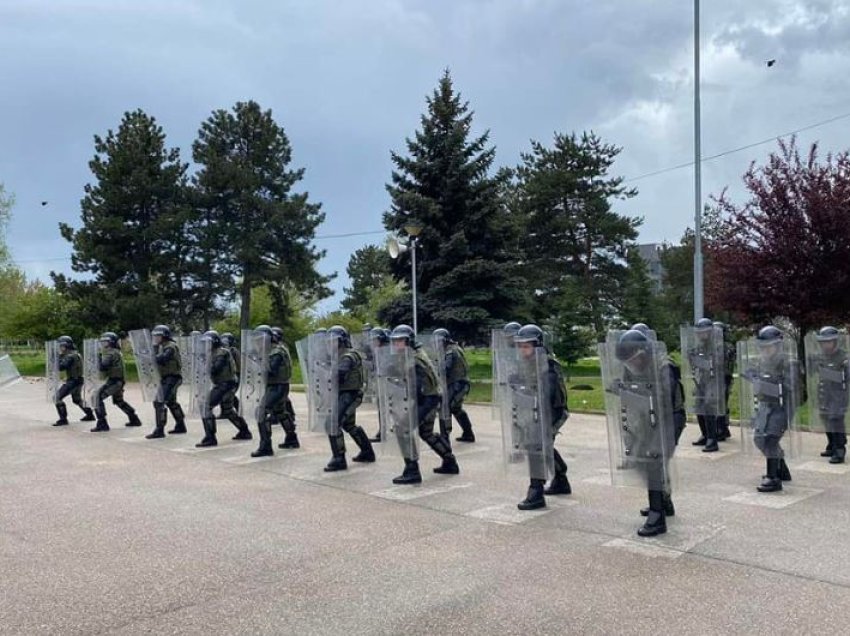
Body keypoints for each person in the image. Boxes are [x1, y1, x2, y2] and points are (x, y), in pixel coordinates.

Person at [609, 329, 677, 536]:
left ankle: (657, 517)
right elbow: (634, 388)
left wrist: (632, 391)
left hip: (669, 419)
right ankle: (663, 501)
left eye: (634, 360)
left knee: (653, 461)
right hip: (647, 417)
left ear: (644, 352)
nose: (632, 365)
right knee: (639, 460)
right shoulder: (634, 367)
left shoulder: (664, 367)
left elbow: (666, 399)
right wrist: (620, 388)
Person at [389, 325, 460, 484]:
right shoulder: (413, 355)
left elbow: (417, 387)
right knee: (425, 432)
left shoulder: (414, 359)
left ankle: (412, 470)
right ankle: (450, 461)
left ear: (409, 341)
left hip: (427, 399)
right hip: (430, 397)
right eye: (395, 341)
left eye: (400, 340)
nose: (396, 344)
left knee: (403, 429)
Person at [511, 325, 570, 510]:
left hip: (552, 413)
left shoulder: (548, 367)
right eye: (520, 346)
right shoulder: (527, 365)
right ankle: (561, 479)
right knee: (543, 446)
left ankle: (536, 491)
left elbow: (551, 399)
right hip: (534, 412)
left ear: (538, 346)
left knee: (536, 447)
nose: (522, 350)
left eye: (527, 346)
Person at [740, 326, 797, 492]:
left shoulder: (789, 363)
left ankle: (773, 478)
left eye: (768, 346)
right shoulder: (762, 361)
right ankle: (781, 469)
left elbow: (791, 386)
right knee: (759, 439)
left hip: (782, 407)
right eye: (763, 347)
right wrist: (755, 378)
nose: (765, 350)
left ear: (778, 346)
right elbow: (747, 370)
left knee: (770, 439)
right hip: (765, 406)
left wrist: (769, 383)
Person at [321, 326, 376, 471]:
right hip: (344, 393)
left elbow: (341, 372)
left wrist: (329, 375)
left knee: (332, 423)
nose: (331, 344)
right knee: (348, 425)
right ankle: (367, 452)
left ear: (342, 341)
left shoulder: (348, 356)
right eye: (330, 341)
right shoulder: (339, 355)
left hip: (350, 394)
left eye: (334, 341)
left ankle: (339, 458)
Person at [195, 331, 252, 447]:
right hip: (224, 384)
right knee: (227, 410)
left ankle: (210, 437)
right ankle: (244, 431)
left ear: (214, 342)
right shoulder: (213, 353)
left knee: (206, 406)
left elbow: (215, 368)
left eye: (208, 342)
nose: (206, 345)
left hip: (225, 384)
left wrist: (204, 363)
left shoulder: (221, 352)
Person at [252, 325, 299, 457]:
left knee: (261, 412)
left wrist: (256, 363)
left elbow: (271, 370)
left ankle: (265, 446)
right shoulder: (269, 351)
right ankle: (292, 438)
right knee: (281, 412)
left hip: (278, 386)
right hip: (276, 386)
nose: (257, 341)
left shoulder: (276, 351)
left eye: (260, 338)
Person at [809, 326, 848, 464]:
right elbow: (811, 372)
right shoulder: (821, 356)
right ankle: (831, 445)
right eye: (823, 342)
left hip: (838, 395)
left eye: (829, 342)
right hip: (824, 393)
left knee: (835, 421)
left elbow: (847, 377)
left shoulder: (843, 357)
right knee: (826, 419)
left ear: (835, 342)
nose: (826, 345)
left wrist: (829, 374)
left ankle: (840, 450)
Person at [685, 318, 723, 453]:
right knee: (699, 406)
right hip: (702, 380)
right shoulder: (700, 346)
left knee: (708, 407)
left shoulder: (718, 346)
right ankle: (705, 434)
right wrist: (691, 357)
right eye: (699, 333)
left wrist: (701, 361)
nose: (701, 335)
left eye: (704, 332)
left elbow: (717, 363)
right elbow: (695, 363)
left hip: (714, 380)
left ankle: (712, 439)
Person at [92, 332, 141, 433]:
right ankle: (134, 418)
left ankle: (102, 423)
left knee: (96, 397)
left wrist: (97, 356)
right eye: (103, 341)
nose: (103, 343)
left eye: (106, 341)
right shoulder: (115, 351)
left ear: (111, 342)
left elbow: (103, 366)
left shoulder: (111, 353)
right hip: (117, 380)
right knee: (119, 401)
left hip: (115, 381)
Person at [433, 328, 476, 443]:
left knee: (445, 408)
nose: (437, 344)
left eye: (439, 341)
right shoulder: (453, 348)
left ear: (445, 340)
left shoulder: (450, 351)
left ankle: (444, 436)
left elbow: (445, 369)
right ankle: (468, 433)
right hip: (460, 384)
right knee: (456, 409)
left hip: (457, 384)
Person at [145, 325, 186, 439]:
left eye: (158, 336)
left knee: (159, 401)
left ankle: (160, 429)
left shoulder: (170, 346)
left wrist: (151, 353)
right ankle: (181, 425)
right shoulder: (162, 346)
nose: (155, 338)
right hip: (167, 378)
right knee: (171, 402)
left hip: (173, 378)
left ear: (164, 336)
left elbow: (162, 358)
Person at [51, 336, 96, 426]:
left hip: (73, 381)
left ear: (66, 346)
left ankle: (63, 419)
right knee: (77, 399)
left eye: (62, 346)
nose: (60, 348)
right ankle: (90, 415)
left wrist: (55, 358)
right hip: (78, 380)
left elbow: (61, 367)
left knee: (57, 397)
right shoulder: (75, 354)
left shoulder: (71, 356)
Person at [271, 327, 298, 441]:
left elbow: (272, 367)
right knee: (281, 407)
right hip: (276, 382)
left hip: (280, 381)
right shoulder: (274, 348)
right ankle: (291, 436)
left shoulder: (280, 348)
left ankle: (266, 445)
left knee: (275, 406)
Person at [367, 327, 390, 442]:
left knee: (389, 410)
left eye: (375, 339)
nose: (373, 342)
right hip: (382, 384)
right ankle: (382, 431)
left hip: (390, 385)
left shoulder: (388, 350)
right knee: (382, 409)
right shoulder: (379, 351)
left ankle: (386, 432)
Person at [713, 321, 735, 441]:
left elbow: (724, 362)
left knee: (722, 403)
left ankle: (722, 428)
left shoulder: (727, 347)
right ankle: (720, 428)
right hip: (713, 379)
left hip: (724, 378)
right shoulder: (713, 346)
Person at [221, 332, 240, 414]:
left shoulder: (233, 351)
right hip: (225, 376)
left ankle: (238, 410)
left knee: (229, 394)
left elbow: (238, 365)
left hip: (234, 375)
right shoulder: (223, 351)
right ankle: (224, 412)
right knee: (224, 394)